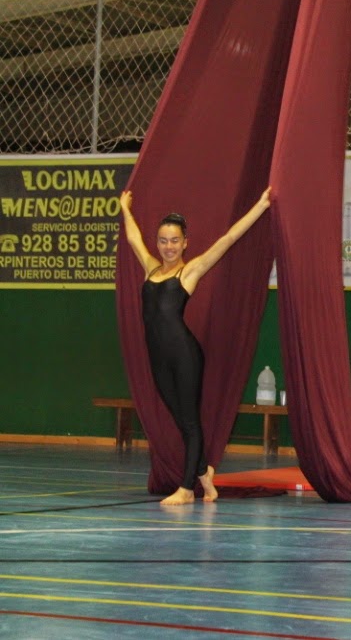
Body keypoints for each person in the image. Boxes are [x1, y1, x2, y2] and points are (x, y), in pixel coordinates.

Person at [120, 187, 271, 505]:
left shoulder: (190, 271)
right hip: (158, 358)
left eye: (175, 240)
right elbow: (133, 238)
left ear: (185, 242)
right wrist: (125, 208)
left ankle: (187, 489)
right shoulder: (150, 268)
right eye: (163, 240)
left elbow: (228, 239)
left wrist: (260, 206)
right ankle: (205, 475)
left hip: (185, 356)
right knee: (180, 420)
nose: (169, 246)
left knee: (189, 420)